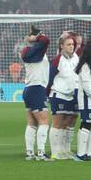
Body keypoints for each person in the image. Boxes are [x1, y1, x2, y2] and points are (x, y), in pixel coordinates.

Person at [19, 26, 51, 160]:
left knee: (32, 122)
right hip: (37, 88)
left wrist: (34, 37)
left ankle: (30, 152)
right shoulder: (36, 51)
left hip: (29, 89)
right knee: (44, 121)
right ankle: (41, 153)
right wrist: (37, 37)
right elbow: (46, 40)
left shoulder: (26, 51)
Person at [47, 33, 80, 160]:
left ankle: (65, 150)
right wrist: (47, 95)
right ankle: (55, 152)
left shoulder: (76, 58)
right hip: (59, 94)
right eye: (69, 44)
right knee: (58, 122)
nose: (72, 46)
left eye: (72, 44)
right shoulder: (57, 60)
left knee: (69, 122)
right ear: (62, 46)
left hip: (72, 95)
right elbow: (49, 78)